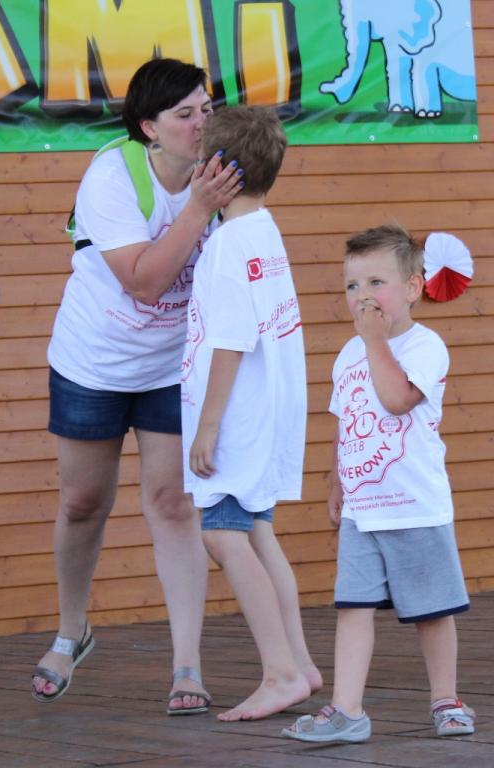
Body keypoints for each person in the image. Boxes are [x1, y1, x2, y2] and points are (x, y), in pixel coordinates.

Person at [31, 57, 243, 714]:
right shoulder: (112, 175)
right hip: (93, 363)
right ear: (149, 127)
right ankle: (72, 631)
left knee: (175, 506)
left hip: (171, 368)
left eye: (207, 109)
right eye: (185, 114)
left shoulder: (224, 175)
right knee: (82, 503)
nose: (202, 123)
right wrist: (199, 208)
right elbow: (145, 282)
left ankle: (187, 665)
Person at [283, 224, 476, 744]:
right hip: (363, 511)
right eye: (352, 285)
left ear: (412, 287)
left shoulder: (426, 346)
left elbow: (395, 400)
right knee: (352, 607)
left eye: (376, 283)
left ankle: (446, 699)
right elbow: (346, 421)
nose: (362, 296)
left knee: (432, 611)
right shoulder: (348, 353)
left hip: (415, 508)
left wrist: (373, 340)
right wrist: (335, 481)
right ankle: (348, 710)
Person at [181, 105, 322, 721]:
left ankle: (281, 673)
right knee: (258, 532)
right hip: (270, 408)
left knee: (221, 533)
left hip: (239, 417)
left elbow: (231, 340)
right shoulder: (263, 229)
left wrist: (208, 425)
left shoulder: (227, 245)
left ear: (217, 169)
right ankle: (301, 663)